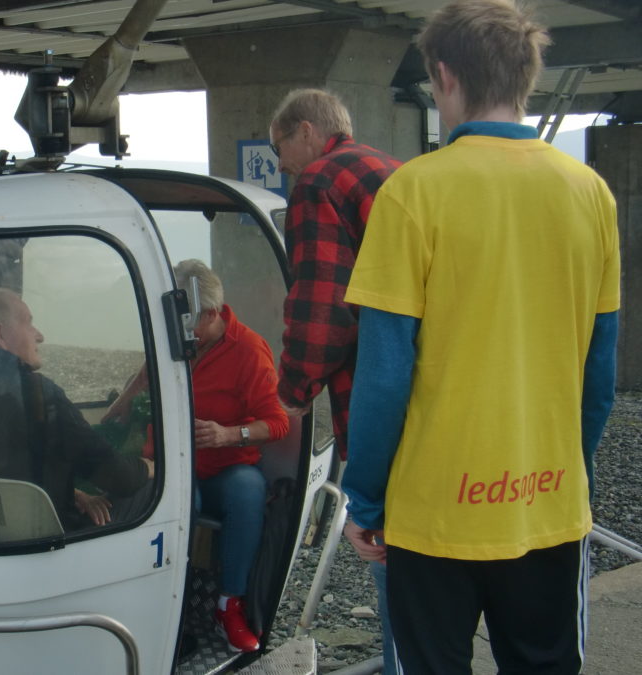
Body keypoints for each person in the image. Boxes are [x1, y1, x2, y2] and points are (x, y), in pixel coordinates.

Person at [341, 1, 620, 673]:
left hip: (433, 515)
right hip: (547, 506)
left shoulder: (413, 194)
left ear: (444, 77)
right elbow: (599, 376)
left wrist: (367, 499)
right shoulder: (591, 194)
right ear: (527, 75)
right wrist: (560, 470)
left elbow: (383, 375)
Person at [269, 88, 402, 672]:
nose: (282, 166)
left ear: (304, 131)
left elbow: (322, 307)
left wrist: (293, 391)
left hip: (383, 407)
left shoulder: (319, 183)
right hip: (445, 399)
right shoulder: (395, 174)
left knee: (399, 575)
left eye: (281, 151)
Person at [105, 259, 289, 652]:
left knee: (248, 491)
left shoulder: (250, 351)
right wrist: (126, 399)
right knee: (177, 501)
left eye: (184, 318)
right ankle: (172, 604)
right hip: (174, 465)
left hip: (224, 468)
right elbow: (150, 366)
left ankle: (229, 604)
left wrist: (228, 434)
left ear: (208, 313)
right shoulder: (180, 336)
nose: (176, 326)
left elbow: (277, 423)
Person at [0, 287, 154, 531]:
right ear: (1, 334)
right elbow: (118, 477)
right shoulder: (39, 394)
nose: (40, 336)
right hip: (43, 536)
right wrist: (147, 467)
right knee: (154, 489)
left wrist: (73, 493)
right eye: (29, 323)